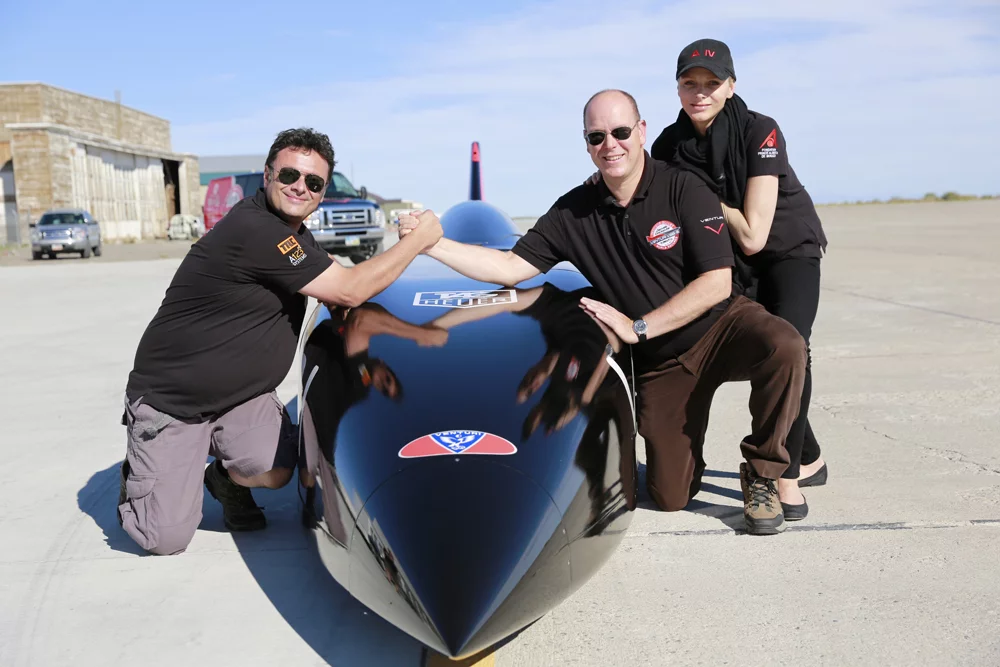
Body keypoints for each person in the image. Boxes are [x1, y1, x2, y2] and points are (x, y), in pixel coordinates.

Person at [399, 90, 807, 535]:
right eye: (597, 136)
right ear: (587, 142)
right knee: (671, 497)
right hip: (663, 361)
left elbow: (716, 283)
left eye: (620, 132)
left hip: (720, 327)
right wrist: (431, 243)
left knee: (785, 345)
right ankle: (688, 459)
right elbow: (509, 267)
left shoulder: (685, 187)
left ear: (642, 131)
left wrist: (639, 325)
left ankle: (763, 473)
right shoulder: (573, 212)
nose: (610, 144)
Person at [118, 127, 443, 555]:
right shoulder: (254, 228)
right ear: (267, 174)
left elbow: (339, 279)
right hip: (174, 404)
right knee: (164, 539)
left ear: (323, 192)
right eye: (289, 174)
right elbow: (348, 289)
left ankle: (221, 479)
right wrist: (418, 241)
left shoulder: (293, 236)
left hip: (239, 398)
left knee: (276, 469)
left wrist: (415, 333)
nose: (299, 187)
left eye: (313, 182)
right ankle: (145, 475)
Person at [650, 39, 829, 519]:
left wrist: (703, 200)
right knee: (765, 353)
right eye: (690, 83)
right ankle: (808, 451)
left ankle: (781, 474)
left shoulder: (760, 130)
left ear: (731, 86)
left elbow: (753, 233)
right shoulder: (669, 145)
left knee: (793, 344)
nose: (700, 92)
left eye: (712, 83)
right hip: (734, 257)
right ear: (679, 87)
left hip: (788, 249)